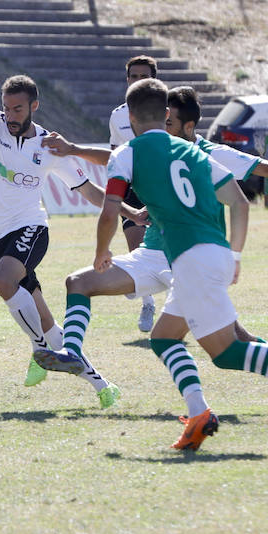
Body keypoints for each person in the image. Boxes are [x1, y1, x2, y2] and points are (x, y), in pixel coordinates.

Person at [34, 86, 268, 413]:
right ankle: (73, 353)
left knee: (232, 338)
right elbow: (117, 158)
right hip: (154, 254)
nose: (164, 128)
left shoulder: (207, 153)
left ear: (184, 125)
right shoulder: (146, 149)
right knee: (80, 283)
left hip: (190, 258)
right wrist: (74, 150)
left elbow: (264, 168)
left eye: (170, 123)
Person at [0, 71, 134, 407]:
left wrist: (131, 212)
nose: (10, 116)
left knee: (3, 281)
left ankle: (38, 351)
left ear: (34, 106)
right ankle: (103, 386)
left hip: (30, 228)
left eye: (18, 109)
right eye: (7, 108)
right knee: (45, 319)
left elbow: (90, 191)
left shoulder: (50, 146)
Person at [109, 55, 159, 332]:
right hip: (132, 187)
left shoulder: (168, 110)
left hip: (163, 184)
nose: (138, 81)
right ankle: (148, 302)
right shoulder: (118, 115)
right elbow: (114, 153)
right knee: (136, 247)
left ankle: (183, 304)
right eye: (134, 77)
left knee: (173, 248)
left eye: (144, 77)